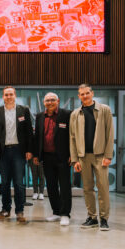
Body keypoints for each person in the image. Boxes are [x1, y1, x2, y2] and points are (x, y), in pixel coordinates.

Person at [0, 86, 33, 223]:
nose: (9, 97)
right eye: (6, 95)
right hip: (3, 151)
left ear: (15, 95)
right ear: (3, 97)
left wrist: (29, 150)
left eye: (11, 94)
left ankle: (19, 211)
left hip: (19, 151)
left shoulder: (24, 110)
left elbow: (29, 131)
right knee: (5, 183)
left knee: (19, 183)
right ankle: (5, 209)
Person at [69, 83, 114, 231]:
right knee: (87, 188)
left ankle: (104, 219)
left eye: (87, 93)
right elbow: (72, 138)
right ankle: (92, 217)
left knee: (103, 188)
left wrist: (108, 155)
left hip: (100, 156)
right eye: (82, 94)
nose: (85, 96)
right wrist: (75, 159)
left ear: (92, 93)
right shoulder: (75, 114)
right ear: (79, 96)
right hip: (83, 157)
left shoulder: (104, 110)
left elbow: (110, 133)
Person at [33, 93, 72, 226]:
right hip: (46, 156)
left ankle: (65, 214)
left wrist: (73, 154)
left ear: (58, 101)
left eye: (52, 100)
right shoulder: (39, 116)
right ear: (44, 102)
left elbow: (72, 135)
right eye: (47, 100)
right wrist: (36, 155)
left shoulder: (66, 114)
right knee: (51, 186)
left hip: (63, 157)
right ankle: (56, 212)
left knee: (65, 186)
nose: (50, 102)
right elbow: (37, 136)